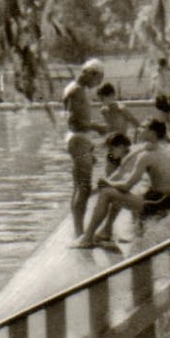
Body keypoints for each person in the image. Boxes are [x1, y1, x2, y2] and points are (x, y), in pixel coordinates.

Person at [75, 119, 170, 250]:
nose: (138, 129)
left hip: (159, 203)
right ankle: (106, 231)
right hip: (165, 198)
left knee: (108, 193)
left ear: (152, 133)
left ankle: (87, 239)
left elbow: (126, 186)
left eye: (143, 127)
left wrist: (107, 183)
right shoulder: (160, 149)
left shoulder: (146, 155)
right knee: (120, 192)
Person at [62, 59, 109, 235]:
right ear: (90, 73)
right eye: (98, 80)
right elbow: (76, 121)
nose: (97, 85)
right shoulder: (76, 91)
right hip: (78, 139)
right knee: (83, 187)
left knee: (80, 186)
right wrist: (98, 127)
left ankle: (79, 231)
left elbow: (77, 120)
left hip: (80, 140)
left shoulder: (75, 89)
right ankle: (79, 233)